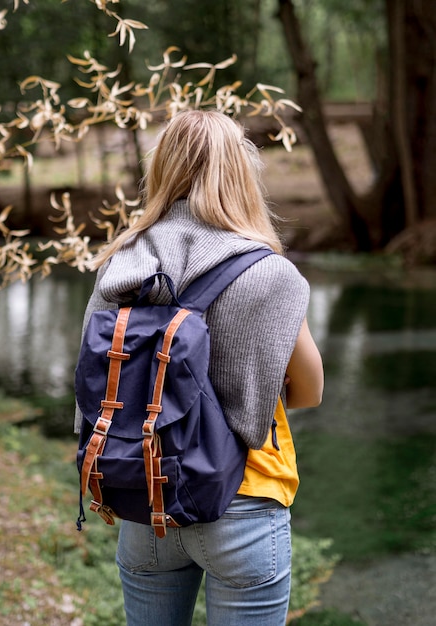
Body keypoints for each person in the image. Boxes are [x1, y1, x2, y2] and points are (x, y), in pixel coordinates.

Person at [75, 109, 324, 626]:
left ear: (162, 170)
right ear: (241, 173)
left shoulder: (121, 264)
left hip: (147, 498)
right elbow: (309, 391)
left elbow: (91, 391)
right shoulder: (270, 273)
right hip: (243, 502)